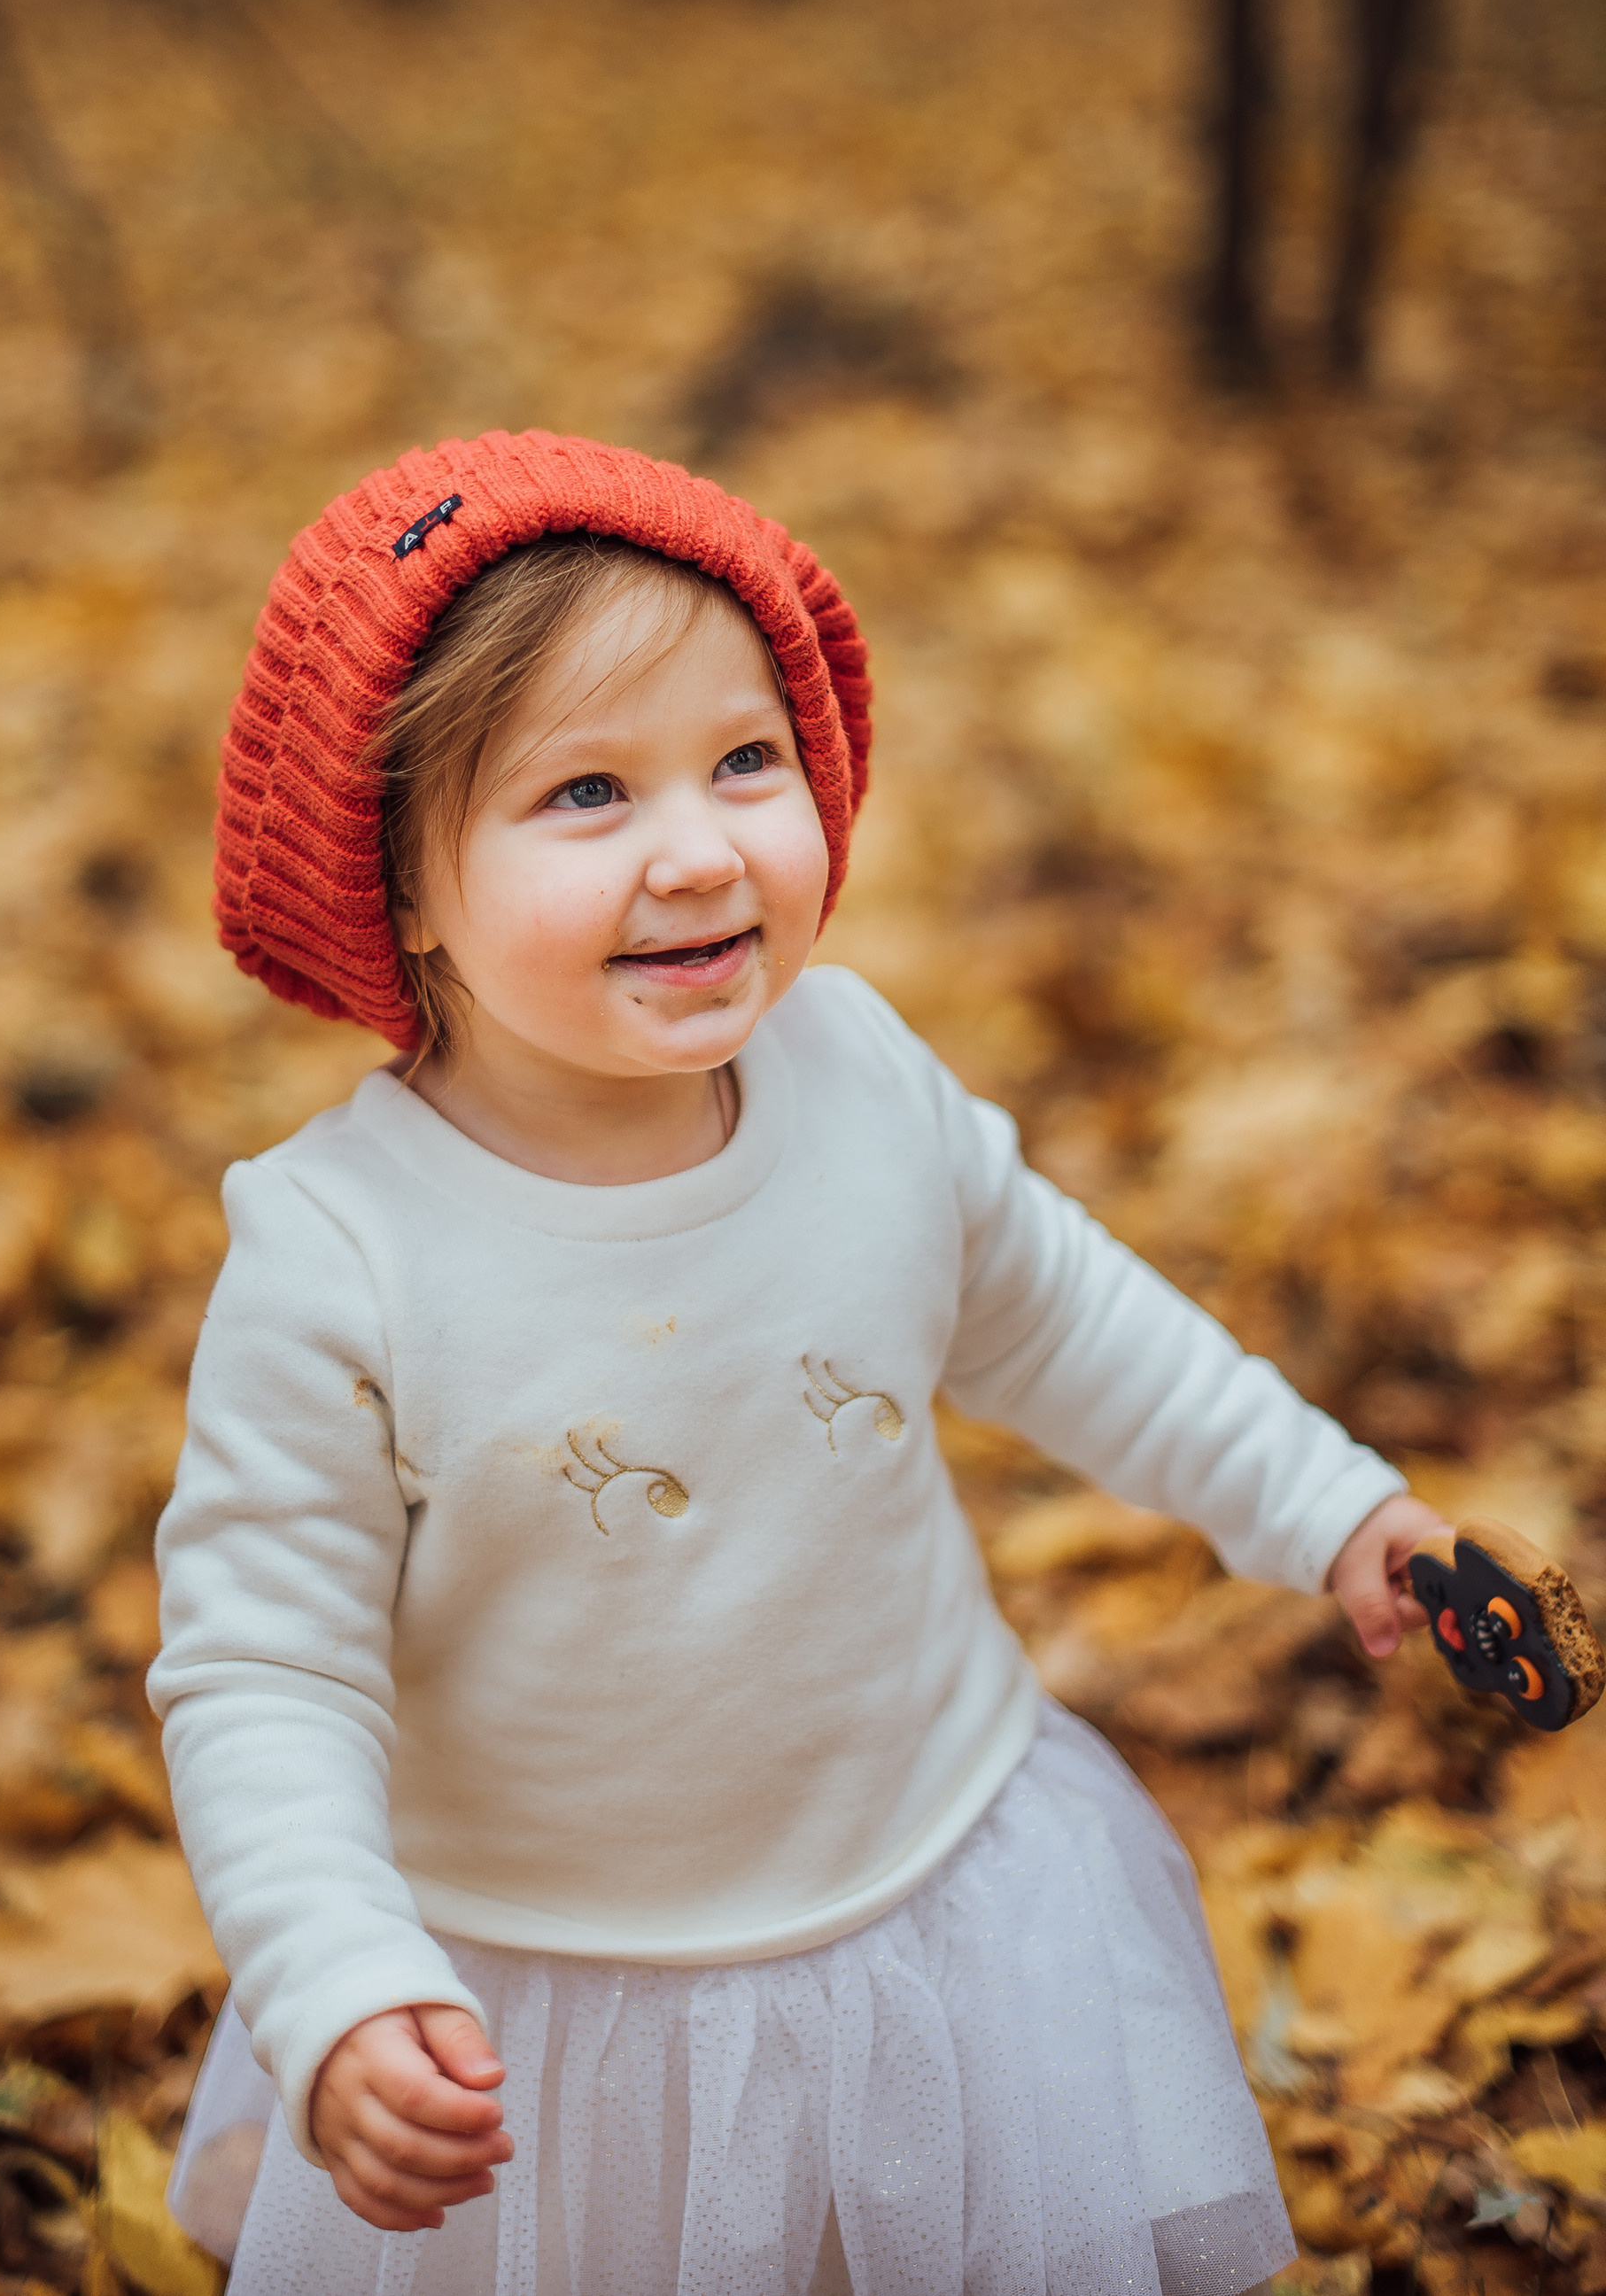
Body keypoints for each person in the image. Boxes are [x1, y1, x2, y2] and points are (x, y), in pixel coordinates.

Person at [151, 430, 1447, 2296]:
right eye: (586, 790)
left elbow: (1072, 1322)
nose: (700, 847)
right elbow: (265, 1665)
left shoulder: (855, 1079)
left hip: (932, 1880)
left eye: (745, 759)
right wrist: (339, 1981)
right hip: (556, 1978)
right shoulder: (344, 1252)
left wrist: (1324, 1504)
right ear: (400, 889)